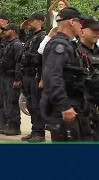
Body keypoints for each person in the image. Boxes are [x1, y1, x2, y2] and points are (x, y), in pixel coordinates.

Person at [41, 7, 90, 141]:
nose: (82, 25)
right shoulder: (60, 46)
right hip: (62, 110)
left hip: (70, 106)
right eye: (80, 22)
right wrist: (65, 106)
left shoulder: (68, 44)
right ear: (72, 22)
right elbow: (52, 76)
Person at [18, 12, 46, 142]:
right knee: (29, 104)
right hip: (27, 74)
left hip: (35, 74)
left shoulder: (43, 37)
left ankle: (39, 132)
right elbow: (21, 33)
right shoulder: (31, 36)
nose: (30, 23)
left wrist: (42, 78)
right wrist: (24, 26)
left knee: (36, 104)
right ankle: (34, 130)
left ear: (40, 22)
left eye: (32, 21)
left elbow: (43, 58)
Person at [0, 24, 23, 136]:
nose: (4, 32)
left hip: (12, 76)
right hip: (5, 76)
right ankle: (9, 123)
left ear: (13, 31)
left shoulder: (17, 44)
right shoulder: (8, 44)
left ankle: (15, 126)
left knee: (12, 102)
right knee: (6, 101)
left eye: (6, 30)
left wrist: (17, 79)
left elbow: (19, 62)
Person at [78, 16, 99, 140]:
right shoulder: (74, 52)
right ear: (82, 31)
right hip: (83, 107)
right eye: (93, 30)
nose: (97, 33)